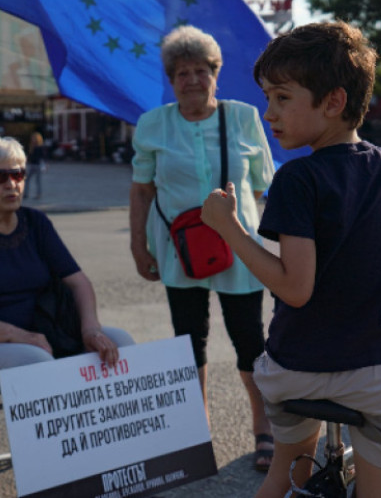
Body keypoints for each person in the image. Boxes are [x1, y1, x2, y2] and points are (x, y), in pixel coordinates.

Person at [202, 21, 381, 497]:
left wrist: (228, 227)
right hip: (373, 370)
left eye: (282, 97)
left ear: (334, 101)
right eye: (267, 97)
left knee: (285, 477)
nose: (269, 112)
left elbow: (295, 288)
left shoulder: (298, 179)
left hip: (297, 368)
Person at [129, 25, 276, 470]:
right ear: (171, 80)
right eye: (181, 72)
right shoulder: (153, 124)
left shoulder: (245, 117)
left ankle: (264, 430)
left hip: (240, 248)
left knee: (250, 340)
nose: (192, 79)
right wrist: (139, 245)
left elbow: (265, 187)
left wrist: (277, 247)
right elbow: (141, 191)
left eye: (201, 70)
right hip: (179, 250)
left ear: (216, 74)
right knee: (188, 341)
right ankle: (195, 433)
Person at [0, 137, 134, 386]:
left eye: (18, 175)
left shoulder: (36, 223)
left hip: (45, 332)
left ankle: (106, 425)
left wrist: (90, 329)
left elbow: (78, 282)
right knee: (36, 363)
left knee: (120, 343)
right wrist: (17, 335)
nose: (11, 184)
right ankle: (61, 426)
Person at [23, 131, 46, 200]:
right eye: (32, 138)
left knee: (38, 181)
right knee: (27, 179)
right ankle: (26, 194)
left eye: (34, 138)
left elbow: (43, 156)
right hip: (32, 165)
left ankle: (38, 194)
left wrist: (45, 164)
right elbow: (30, 156)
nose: (33, 139)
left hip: (38, 165)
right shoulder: (31, 146)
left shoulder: (40, 147)